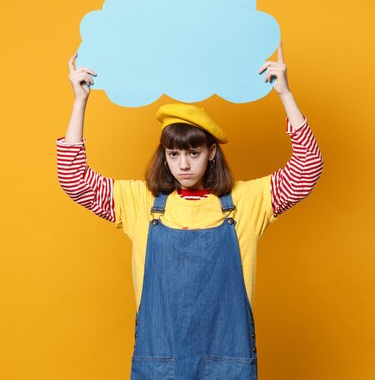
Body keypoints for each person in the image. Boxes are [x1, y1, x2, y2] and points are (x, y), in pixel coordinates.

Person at [56, 42, 323, 380]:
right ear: (164, 155)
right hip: (159, 363)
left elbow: (308, 168)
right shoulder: (140, 202)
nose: (183, 164)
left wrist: (285, 94)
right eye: (173, 154)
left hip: (228, 364)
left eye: (193, 153)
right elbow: (74, 178)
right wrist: (80, 103)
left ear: (212, 152)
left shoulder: (247, 201)